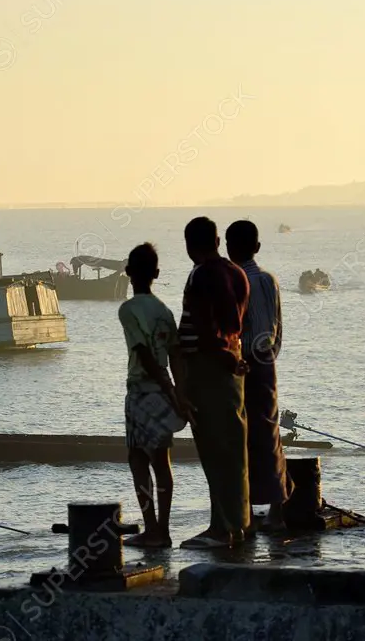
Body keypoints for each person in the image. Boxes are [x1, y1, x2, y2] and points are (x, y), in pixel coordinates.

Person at [177, 217, 251, 550]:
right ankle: (238, 523)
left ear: (190, 246)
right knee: (234, 447)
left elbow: (208, 329)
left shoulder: (202, 275)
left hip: (209, 367)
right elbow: (238, 325)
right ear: (218, 240)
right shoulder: (238, 273)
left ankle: (222, 528)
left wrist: (219, 355)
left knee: (214, 447)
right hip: (232, 365)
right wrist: (233, 356)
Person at [117, 243, 191, 549]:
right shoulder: (165, 311)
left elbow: (143, 354)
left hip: (141, 391)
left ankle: (152, 529)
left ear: (128, 273)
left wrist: (168, 387)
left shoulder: (128, 310)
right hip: (164, 392)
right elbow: (175, 356)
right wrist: (178, 394)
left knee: (137, 459)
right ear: (157, 274)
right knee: (162, 460)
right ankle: (164, 528)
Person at [225, 220, 291, 531]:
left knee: (249, 438)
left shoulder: (238, 282)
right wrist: (269, 355)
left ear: (228, 248)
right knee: (269, 432)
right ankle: (275, 507)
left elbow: (240, 329)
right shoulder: (269, 280)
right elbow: (278, 325)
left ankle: (258, 512)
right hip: (267, 363)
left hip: (248, 364)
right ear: (258, 247)